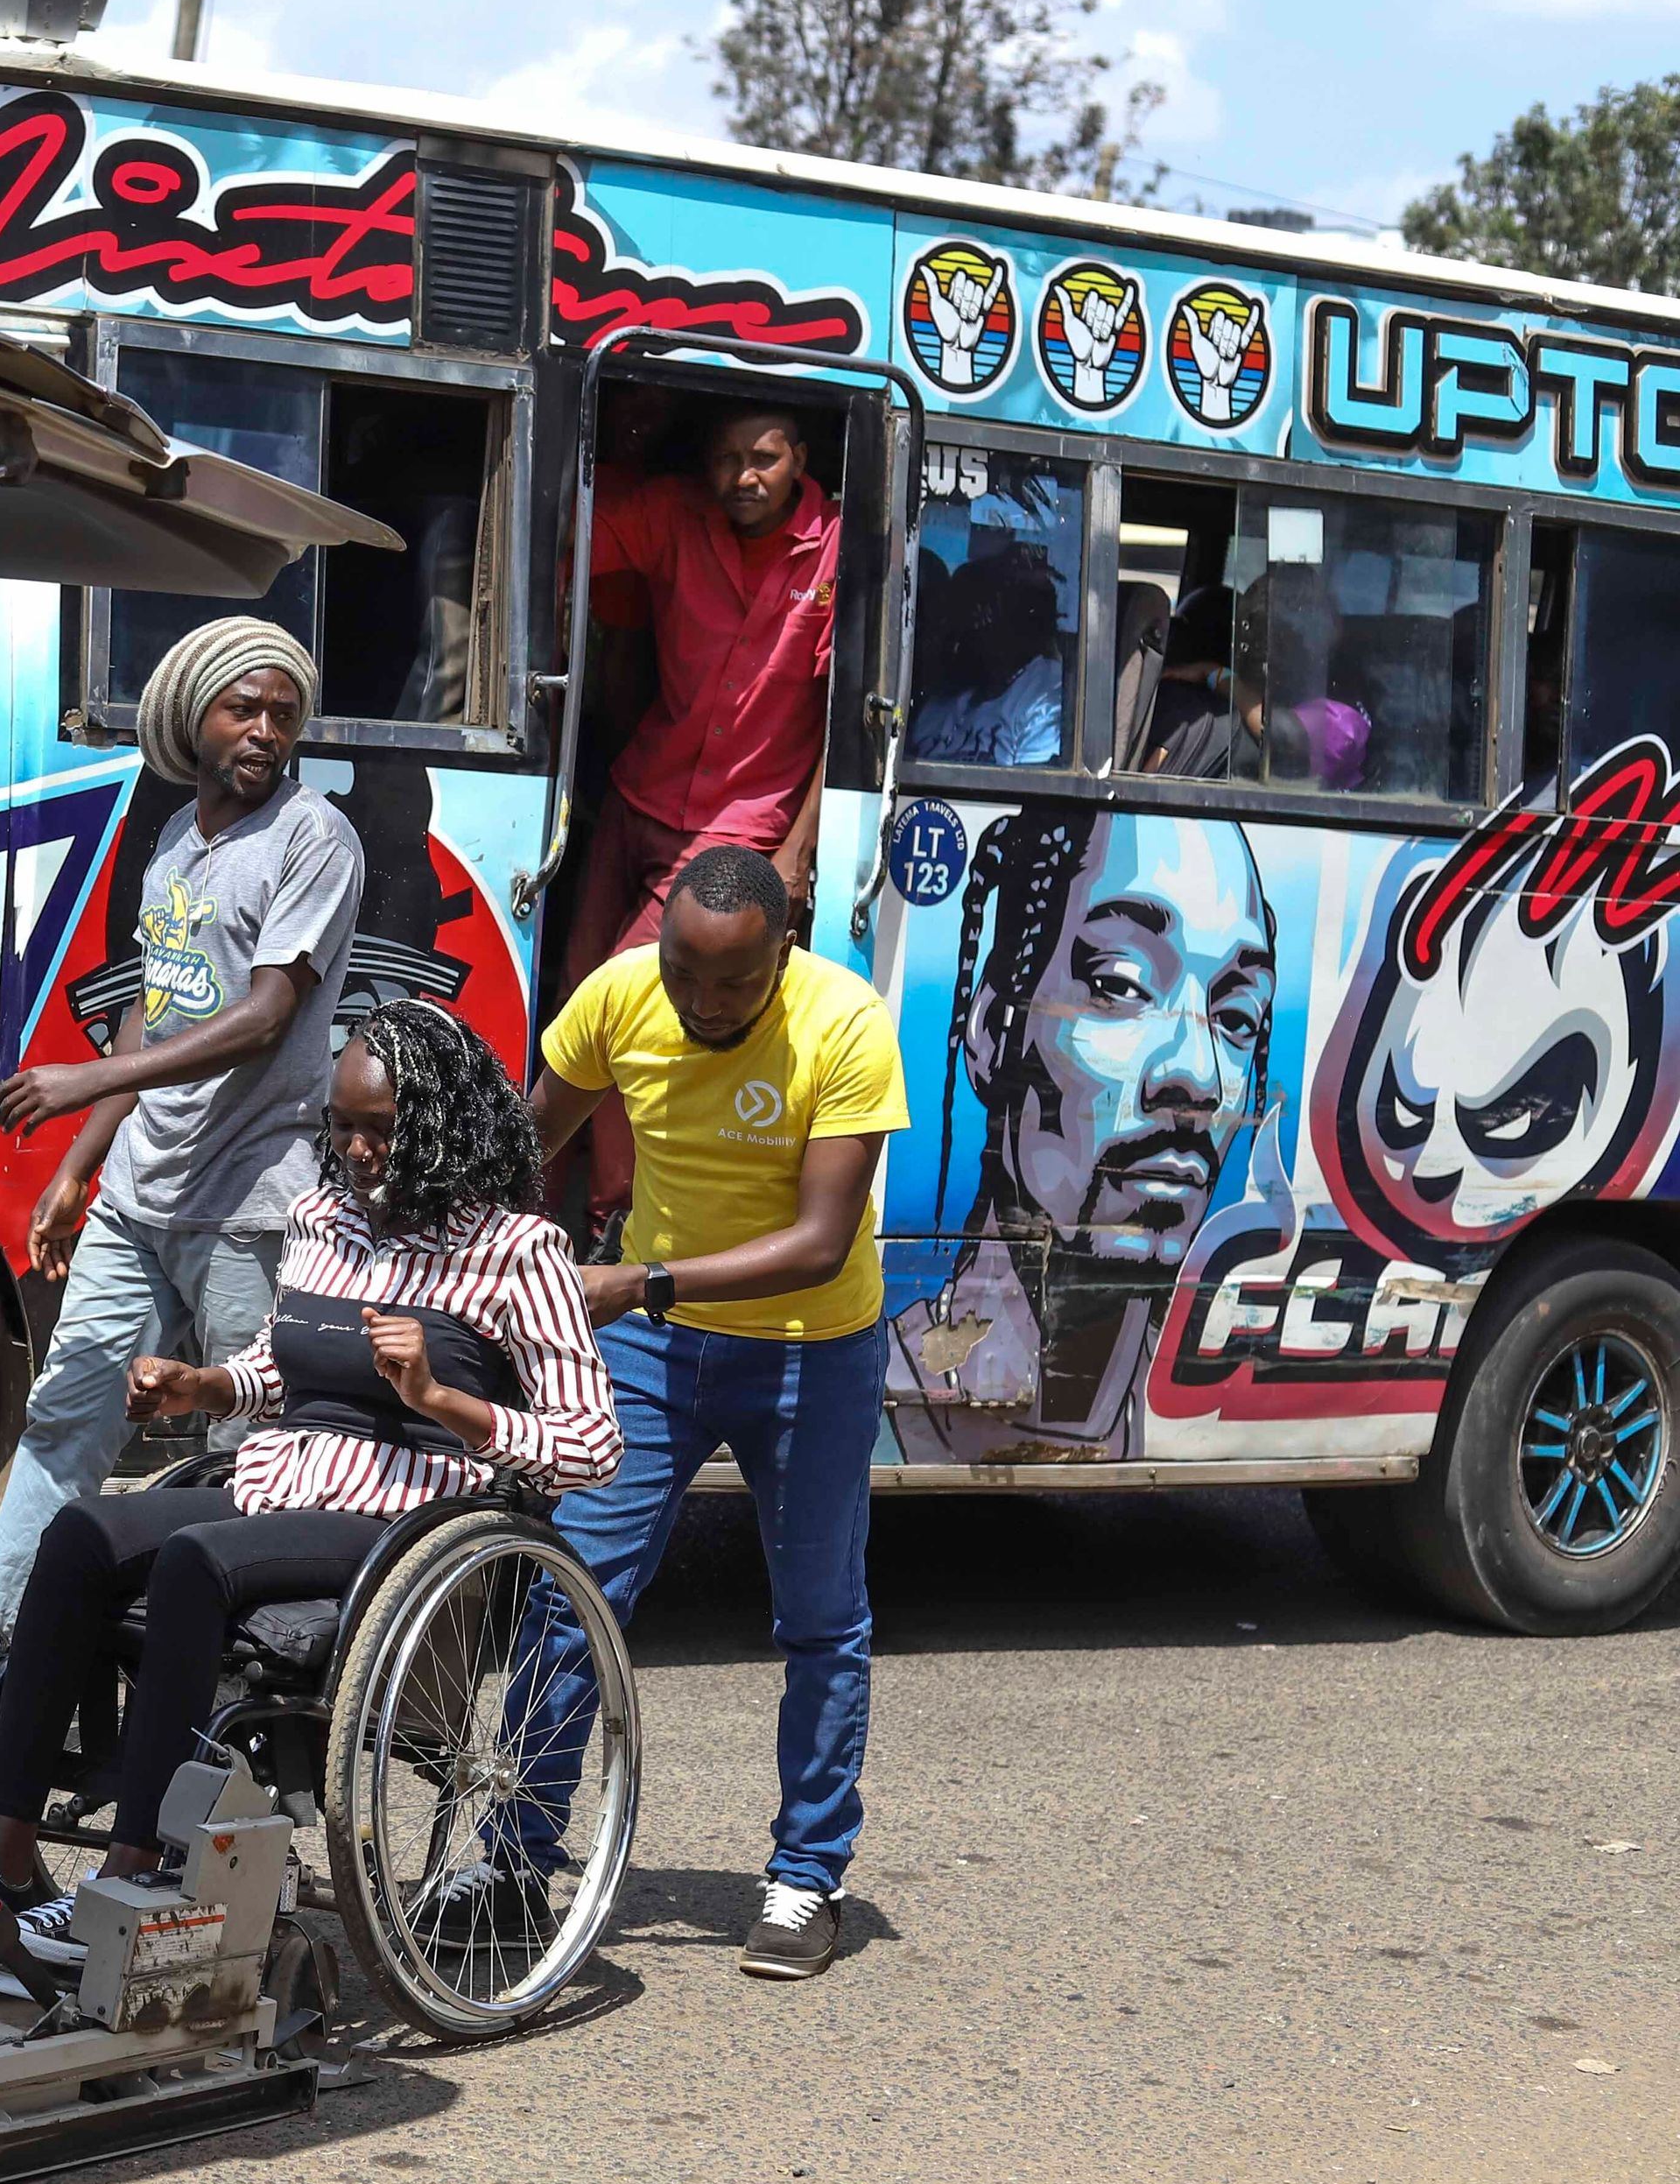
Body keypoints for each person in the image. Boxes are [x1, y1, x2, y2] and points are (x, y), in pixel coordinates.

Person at [0, 1004, 622, 1959]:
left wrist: (443, 1397)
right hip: (279, 1483)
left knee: (197, 1561)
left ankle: (135, 1870)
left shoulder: (519, 1254)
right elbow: (283, 1369)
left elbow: (591, 1445)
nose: (357, 1150)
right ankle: (5, 1849)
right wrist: (207, 1382)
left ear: (439, 1123)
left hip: (403, 1514)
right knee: (81, 1534)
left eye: (381, 1130)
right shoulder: (320, 1221)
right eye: (343, 1127)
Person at [0, 618, 364, 1745]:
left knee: (251, 1448)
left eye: (283, 711)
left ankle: (244, 1701)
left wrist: (93, 1071)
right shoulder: (179, 839)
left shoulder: (316, 838)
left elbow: (268, 1012)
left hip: (250, 1199)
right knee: (68, 1413)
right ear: (194, 718)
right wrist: (85, 1153)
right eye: (244, 709)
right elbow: (166, 995)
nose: (266, 731)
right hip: (140, 1193)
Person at [484, 847, 905, 1982]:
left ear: (786, 950)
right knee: (574, 1599)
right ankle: (511, 1858)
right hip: (654, 1350)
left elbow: (822, 1240)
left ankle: (806, 1878)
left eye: (735, 983)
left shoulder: (846, 1023)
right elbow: (532, 1143)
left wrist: (639, 1281)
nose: (706, 1004)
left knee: (820, 1622)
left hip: (811, 1348)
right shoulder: (622, 993)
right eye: (686, 974)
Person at [886, 807, 1276, 1463]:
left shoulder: (1196, 1408)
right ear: (991, 1032)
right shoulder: (865, 1399)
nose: (1196, 1076)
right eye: (1120, 986)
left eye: (1236, 1016)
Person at [558, 405, 841, 1234]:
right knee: (577, 998)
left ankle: (614, 1224)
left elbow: (842, 723)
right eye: (725, 459)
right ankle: (534, 1209)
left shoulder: (837, 549)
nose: (743, 478)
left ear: (800, 457)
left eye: (763, 459)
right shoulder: (677, 513)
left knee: (624, 1009)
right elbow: (559, 527)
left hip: (740, 829)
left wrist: (797, 848)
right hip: (640, 789)